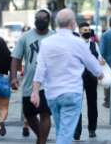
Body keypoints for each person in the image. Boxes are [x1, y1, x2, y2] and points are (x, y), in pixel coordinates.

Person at [30, 8, 104, 144]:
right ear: (73, 23)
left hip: (52, 94)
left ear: (57, 23)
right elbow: (93, 65)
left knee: (61, 130)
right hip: (71, 94)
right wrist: (100, 74)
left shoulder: (46, 43)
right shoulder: (78, 43)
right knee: (65, 134)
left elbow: (40, 69)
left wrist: (35, 91)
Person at [10, 8, 54, 144]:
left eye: (43, 18)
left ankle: (41, 141)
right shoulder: (25, 37)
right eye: (38, 18)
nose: (40, 20)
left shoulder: (55, 37)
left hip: (49, 84)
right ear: (34, 20)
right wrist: (13, 77)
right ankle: (42, 138)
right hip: (29, 83)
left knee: (45, 113)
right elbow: (15, 58)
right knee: (29, 114)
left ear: (49, 20)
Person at [74, 22, 105, 140]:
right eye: (84, 30)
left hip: (91, 78)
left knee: (92, 103)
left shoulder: (94, 44)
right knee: (77, 104)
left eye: (88, 30)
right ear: (80, 31)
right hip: (78, 77)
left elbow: (99, 59)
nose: (87, 32)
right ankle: (77, 131)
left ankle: (92, 129)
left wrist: (101, 62)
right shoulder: (75, 44)